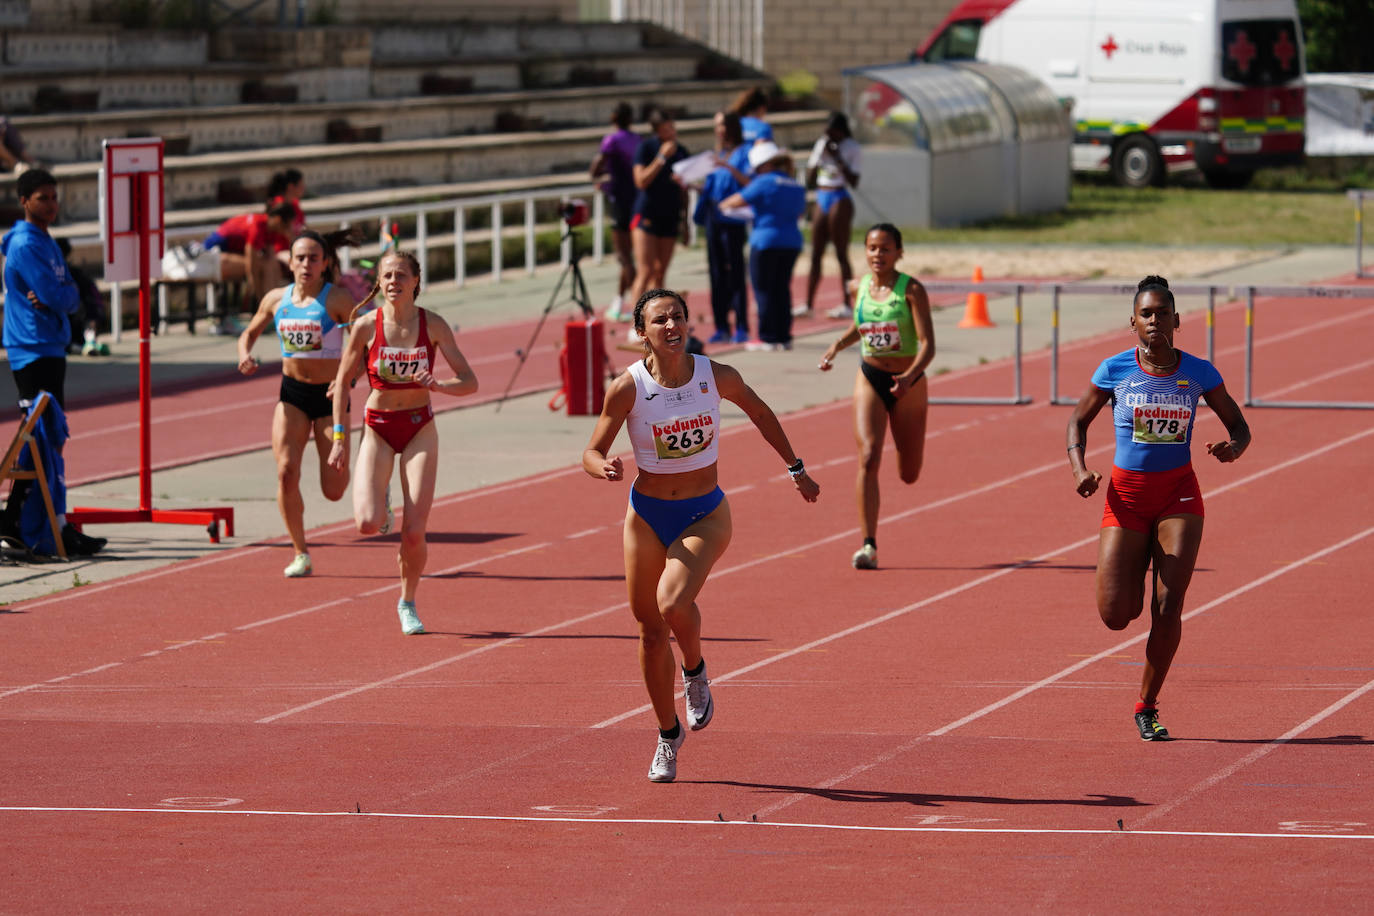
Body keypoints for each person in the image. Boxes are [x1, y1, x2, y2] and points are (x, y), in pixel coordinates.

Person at [582, 288, 820, 783]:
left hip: (705, 514)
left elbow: (759, 412)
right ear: (641, 332)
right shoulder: (628, 387)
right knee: (649, 631)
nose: (671, 326)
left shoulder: (716, 376)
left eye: (677, 317)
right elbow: (591, 448)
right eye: (659, 320)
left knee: (671, 603)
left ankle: (694, 669)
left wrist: (796, 468)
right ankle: (667, 735)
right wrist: (601, 465)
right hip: (646, 514)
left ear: (687, 323)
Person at [1067, 276, 1250, 741]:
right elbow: (1077, 421)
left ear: (1177, 320)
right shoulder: (1113, 370)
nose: (1154, 322)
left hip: (1178, 499)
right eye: (1145, 314)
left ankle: (1146, 706)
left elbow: (1239, 426)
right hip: (1126, 499)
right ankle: (1138, 556)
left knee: (1168, 607)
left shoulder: (1199, 372)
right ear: (1133, 322)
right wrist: (1079, 470)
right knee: (1116, 614)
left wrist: (1233, 447)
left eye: (1162, 314)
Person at [328, 250, 479, 635]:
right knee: (367, 522)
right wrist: (340, 440)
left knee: (415, 532)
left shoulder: (434, 325)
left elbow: (470, 382)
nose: (393, 282)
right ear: (379, 283)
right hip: (377, 426)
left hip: (419, 427)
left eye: (401, 275)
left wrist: (439, 385)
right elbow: (342, 385)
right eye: (387, 276)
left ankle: (407, 601)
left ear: (415, 281)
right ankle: (383, 501)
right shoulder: (365, 326)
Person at [236, 230, 358, 578]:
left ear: (325, 264)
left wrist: (348, 379)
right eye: (300, 258)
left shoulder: (337, 300)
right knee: (286, 472)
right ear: (289, 263)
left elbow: (363, 345)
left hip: (330, 398)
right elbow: (249, 332)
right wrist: (244, 354)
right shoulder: (276, 299)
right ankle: (301, 552)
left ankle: (372, 479)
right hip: (291, 395)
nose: (306, 264)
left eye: (314, 258)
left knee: (334, 491)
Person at [0, 168, 105, 556]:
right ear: (24, 201)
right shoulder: (26, 245)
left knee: (47, 436)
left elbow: (71, 295)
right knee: (44, 436)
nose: (51, 204)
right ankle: (35, 523)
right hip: (32, 348)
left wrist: (63, 294)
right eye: (43, 198)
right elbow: (56, 294)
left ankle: (22, 520)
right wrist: (62, 295)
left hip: (49, 345)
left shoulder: (46, 241)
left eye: (54, 197)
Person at [818, 223, 935, 570]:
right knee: (868, 456)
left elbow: (927, 345)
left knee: (909, 472)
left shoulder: (911, 290)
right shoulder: (860, 286)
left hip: (909, 381)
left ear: (899, 252)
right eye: (871, 248)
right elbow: (862, 326)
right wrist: (837, 346)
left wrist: (909, 377)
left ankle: (908, 456)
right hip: (869, 375)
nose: (877, 255)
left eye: (885, 249)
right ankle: (868, 544)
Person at [719, 141, 807, 351]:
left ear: (763, 165)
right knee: (782, 288)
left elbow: (732, 202)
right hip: (792, 241)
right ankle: (784, 336)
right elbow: (801, 213)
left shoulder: (763, 182)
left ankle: (767, 337)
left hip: (765, 240)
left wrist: (725, 206)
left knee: (763, 289)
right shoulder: (794, 184)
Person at [692, 111, 751, 344]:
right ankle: (721, 325)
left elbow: (749, 183)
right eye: (716, 125)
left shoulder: (744, 153)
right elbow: (710, 188)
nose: (718, 129)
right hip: (713, 217)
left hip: (733, 218)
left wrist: (726, 166)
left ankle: (742, 326)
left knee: (735, 273)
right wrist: (691, 185)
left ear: (731, 127)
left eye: (721, 125)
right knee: (716, 275)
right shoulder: (718, 154)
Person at [626, 108, 690, 316]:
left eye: (672, 127)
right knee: (646, 270)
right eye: (665, 129)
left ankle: (654, 319)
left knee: (660, 272)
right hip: (646, 214)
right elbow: (641, 180)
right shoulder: (646, 148)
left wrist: (685, 222)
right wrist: (661, 157)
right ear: (657, 131)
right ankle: (636, 323)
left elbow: (684, 191)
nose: (671, 132)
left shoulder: (682, 152)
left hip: (670, 216)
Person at [801, 112, 863, 320]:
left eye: (833, 132)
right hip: (822, 194)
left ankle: (847, 303)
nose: (829, 136)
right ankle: (808, 303)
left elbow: (854, 181)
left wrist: (837, 157)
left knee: (840, 253)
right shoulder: (822, 144)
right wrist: (820, 155)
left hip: (839, 195)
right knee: (816, 252)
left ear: (841, 130)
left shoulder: (852, 147)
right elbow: (810, 176)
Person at [589, 102, 640, 321]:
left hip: (621, 202)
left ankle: (643, 299)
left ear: (614, 117)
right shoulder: (638, 140)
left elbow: (598, 165)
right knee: (629, 257)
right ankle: (619, 302)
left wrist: (599, 178)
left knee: (624, 257)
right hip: (638, 202)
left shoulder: (611, 140)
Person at [203, 200, 296, 304]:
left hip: (230, 254)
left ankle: (273, 305)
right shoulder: (258, 225)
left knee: (272, 265)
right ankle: (267, 306)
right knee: (263, 267)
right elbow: (251, 265)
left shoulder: (272, 230)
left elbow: (271, 258)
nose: (288, 229)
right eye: (287, 226)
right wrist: (257, 293)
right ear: (278, 220)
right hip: (212, 255)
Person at [56, 238, 109, 357]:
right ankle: (87, 343)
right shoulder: (76, 273)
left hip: (71, 323)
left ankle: (83, 345)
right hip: (78, 322)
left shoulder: (61, 274)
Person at [266, 168, 308, 235]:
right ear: (290, 186)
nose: (304, 188)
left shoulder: (295, 204)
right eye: (301, 184)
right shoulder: (277, 204)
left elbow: (302, 226)